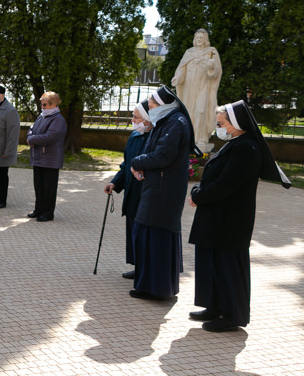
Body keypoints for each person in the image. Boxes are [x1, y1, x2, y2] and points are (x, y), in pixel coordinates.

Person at [188, 101, 291, 332]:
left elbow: (227, 184)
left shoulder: (246, 148)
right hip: (218, 216)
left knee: (227, 267)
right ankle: (214, 306)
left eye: (221, 123)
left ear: (235, 123)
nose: (218, 127)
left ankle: (231, 315)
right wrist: (201, 194)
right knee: (212, 262)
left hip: (230, 220)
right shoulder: (236, 143)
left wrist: (200, 195)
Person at [129, 85, 199, 300]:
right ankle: (148, 285)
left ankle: (158, 289)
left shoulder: (176, 122)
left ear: (163, 104)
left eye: (151, 102)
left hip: (164, 191)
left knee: (156, 237)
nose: (148, 105)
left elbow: (162, 156)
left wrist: (136, 161)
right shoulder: (168, 121)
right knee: (146, 234)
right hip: (157, 187)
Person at [104, 100, 152, 279]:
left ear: (147, 119)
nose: (132, 120)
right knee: (133, 229)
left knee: (143, 231)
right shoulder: (134, 137)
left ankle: (145, 268)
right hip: (132, 191)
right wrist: (115, 183)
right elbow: (127, 164)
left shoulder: (153, 138)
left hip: (145, 192)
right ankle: (138, 266)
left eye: (135, 117)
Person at [171, 28, 223, 150]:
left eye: (202, 38)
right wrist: (178, 77)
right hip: (189, 88)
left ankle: (201, 138)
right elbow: (181, 68)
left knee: (201, 110)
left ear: (206, 40)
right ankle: (188, 136)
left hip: (203, 86)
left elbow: (216, 73)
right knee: (188, 111)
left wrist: (211, 68)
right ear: (195, 39)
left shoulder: (211, 52)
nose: (199, 40)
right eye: (197, 38)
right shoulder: (189, 52)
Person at [26, 91, 67, 222]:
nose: (42, 107)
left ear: (53, 105)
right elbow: (31, 130)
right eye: (41, 105)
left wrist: (32, 140)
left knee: (49, 187)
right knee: (39, 186)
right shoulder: (42, 116)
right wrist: (31, 137)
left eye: (44, 105)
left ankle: (48, 213)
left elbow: (50, 137)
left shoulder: (58, 119)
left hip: (50, 159)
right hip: (38, 157)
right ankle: (39, 209)